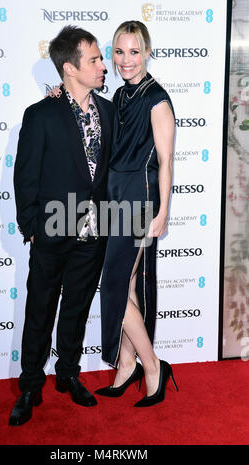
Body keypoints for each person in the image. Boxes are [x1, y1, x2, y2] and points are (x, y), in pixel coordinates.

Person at [9, 25, 115, 426]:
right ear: (70, 68)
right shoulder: (40, 114)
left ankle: (67, 373)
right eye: (95, 60)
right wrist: (31, 226)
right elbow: (26, 175)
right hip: (51, 232)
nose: (103, 66)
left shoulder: (107, 110)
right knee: (40, 309)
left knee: (76, 307)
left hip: (94, 234)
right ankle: (30, 384)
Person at [95, 20, 178, 407]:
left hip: (139, 198)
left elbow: (165, 160)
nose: (125, 60)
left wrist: (162, 211)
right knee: (123, 286)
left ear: (146, 52)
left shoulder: (156, 98)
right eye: (119, 51)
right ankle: (126, 363)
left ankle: (153, 366)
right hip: (116, 195)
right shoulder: (121, 95)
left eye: (133, 51)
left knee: (114, 285)